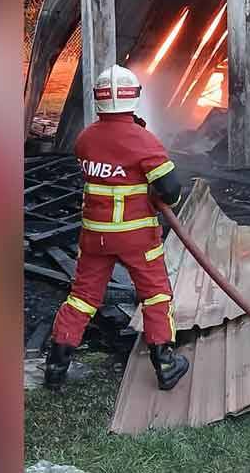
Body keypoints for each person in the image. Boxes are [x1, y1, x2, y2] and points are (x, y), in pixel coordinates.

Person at [44, 65, 189, 391]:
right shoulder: (143, 141)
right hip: (137, 237)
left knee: (82, 297)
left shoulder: (85, 139)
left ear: (98, 100)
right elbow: (171, 189)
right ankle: (165, 364)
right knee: (155, 295)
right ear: (133, 98)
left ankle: (56, 365)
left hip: (95, 236)